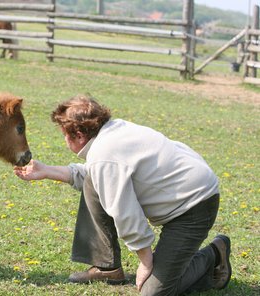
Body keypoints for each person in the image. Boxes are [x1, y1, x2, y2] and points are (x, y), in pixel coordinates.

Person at [13, 95, 231, 295]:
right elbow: (96, 176)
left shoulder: (104, 155)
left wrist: (146, 262)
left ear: (78, 135)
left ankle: (213, 256)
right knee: (94, 183)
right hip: (187, 191)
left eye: (64, 136)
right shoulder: (112, 132)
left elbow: (126, 214)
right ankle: (107, 267)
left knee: (152, 292)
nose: (64, 141)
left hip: (194, 206)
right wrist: (47, 171)